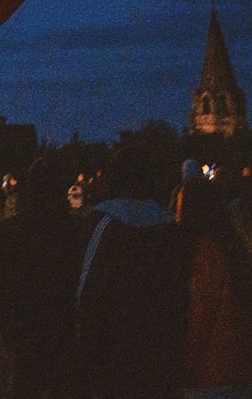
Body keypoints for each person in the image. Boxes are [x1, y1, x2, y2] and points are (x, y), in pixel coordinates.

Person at [73, 145, 189, 399]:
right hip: (159, 343)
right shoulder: (167, 223)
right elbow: (181, 286)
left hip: (113, 344)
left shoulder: (103, 221)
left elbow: (86, 283)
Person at [0, 157, 84, 399]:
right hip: (64, 330)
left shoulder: (11, 231)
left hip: (25, 331)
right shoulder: (78, 230)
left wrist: (8, 334)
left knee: (24, 387)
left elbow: (1, 291)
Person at [176, 177, 252, 399]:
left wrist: (182, 364)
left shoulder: (203, 254)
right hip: (239, 367)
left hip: (210, 373)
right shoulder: (231, 245)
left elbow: (200, 315)